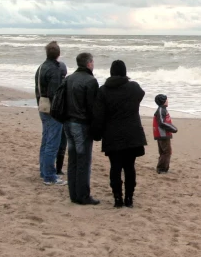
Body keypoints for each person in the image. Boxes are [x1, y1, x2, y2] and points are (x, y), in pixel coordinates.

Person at [92, 60, 147, 208]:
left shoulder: (103, 90)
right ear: (125, 72)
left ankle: (118, 198)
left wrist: (96, 134)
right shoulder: (133, 87)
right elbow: (141, 95)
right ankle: (129, 198)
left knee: (115, 167)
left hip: (112, 134)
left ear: (111, 72)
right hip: (132, 133)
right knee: (130, 167)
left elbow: (99, 115)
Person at [64, 52, 100, 205]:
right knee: (83, 160)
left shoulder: (68, 79)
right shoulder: (90, 81)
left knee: (73, 159)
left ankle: (74, 194)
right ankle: (83, 196)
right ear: (88, 64)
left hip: (68, 122)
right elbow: (93, 107)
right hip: (81, 123)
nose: (93, 64)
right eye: (92, 62)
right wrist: (96, 127)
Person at [34, 41, 67, 186]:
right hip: (52, 109)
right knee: (52, 143)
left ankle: (44, 171)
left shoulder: (41, 67)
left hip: (42, 105)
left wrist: (39, 103)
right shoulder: (55, 69)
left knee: (46, 140)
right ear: (58, 54)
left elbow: (38, 89)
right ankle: (49, 176)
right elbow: (55, 93)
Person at [153, 94, 178, 173]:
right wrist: (173, 128)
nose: (167, 101)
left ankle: (162, 168)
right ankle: (162, 169)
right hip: (162, 134)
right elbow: (162, 122)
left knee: (164, 152)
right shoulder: (161, 110)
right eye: (166, 99)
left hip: (162, 134)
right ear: (163, 101)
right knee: (166, 152)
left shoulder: (162, 109)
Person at [56, 61, 68, 176]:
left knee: (60, 143)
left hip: (58, 115)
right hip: (63, 116)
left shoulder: (61, 82)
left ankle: (58, 168)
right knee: (62, 143)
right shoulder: (65, 83)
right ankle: (58, 168)